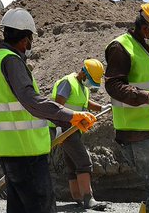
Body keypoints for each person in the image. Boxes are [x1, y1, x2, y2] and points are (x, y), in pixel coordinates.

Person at [0, 8, 96, 213]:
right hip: (26, 150)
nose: (30, 44)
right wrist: (71, 116)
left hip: (8, 149)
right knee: (41, 207)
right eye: (30, 40)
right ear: (24, 40)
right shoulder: (12, 61)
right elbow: (32, 101)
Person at [104, 1, 149, 213]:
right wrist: (145, 96)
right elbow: (113, 85)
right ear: (145, 28)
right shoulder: (121, 47)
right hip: (135, 132)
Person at [50, 59, 107, 210]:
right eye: (91, 80)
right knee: (83, 161)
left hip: (73, 129)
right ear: (83, 73)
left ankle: (78, 197)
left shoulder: (82, 87)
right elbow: (57, 106)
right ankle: (88, 198)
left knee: (72, 162)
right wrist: (60, 128)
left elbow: (86, 103)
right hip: (65, 129)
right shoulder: (67, 83)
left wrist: (101, 107)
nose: (91, 83)